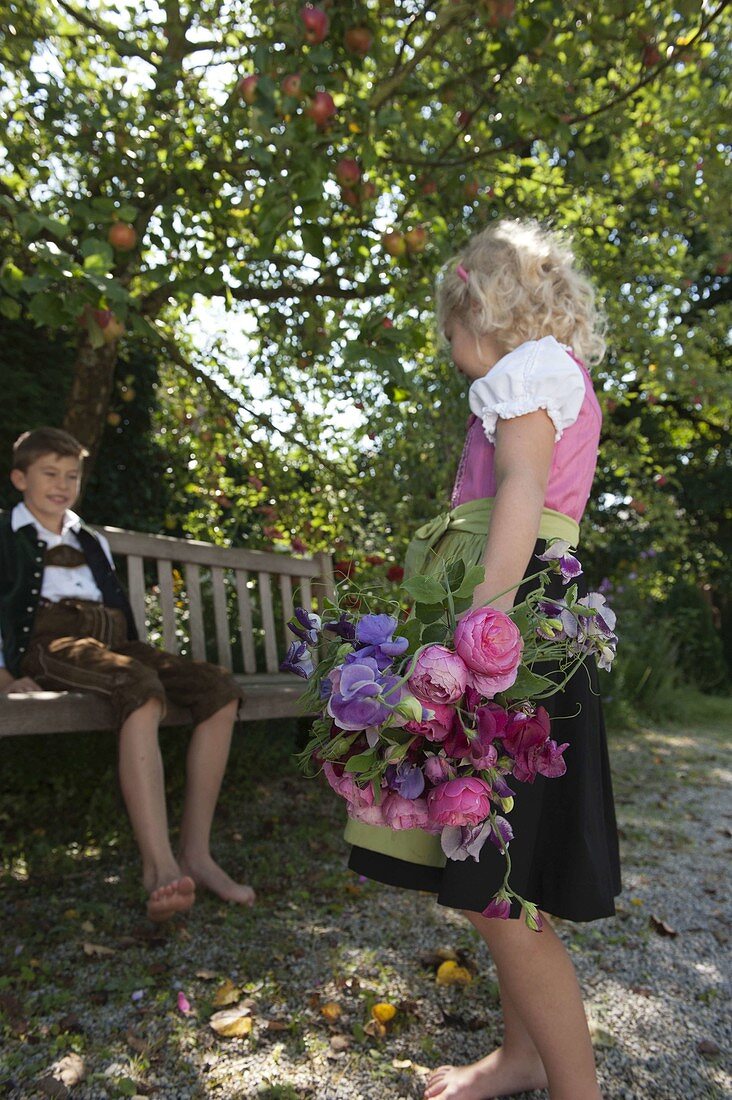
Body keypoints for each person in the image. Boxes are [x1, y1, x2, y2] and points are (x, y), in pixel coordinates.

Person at [348, 220, 621, 1100]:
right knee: (503, 877)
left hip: (512, 634)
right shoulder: (542, 377)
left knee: (502, 885)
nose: (447, 349)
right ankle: (522, 1057)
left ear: (478, 311)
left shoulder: (527, 373)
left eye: (447, 330)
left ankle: (576, 1090)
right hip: (522, 617)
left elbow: (519, 493)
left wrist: (480, 630)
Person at [0, 427, 255, 922]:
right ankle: (158, 867)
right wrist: (5, 678)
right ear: (18, 478)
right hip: (50, 644)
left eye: (71, 475)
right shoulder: (5, 536)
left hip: (113, 643)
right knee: (138, 689)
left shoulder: (88, 538)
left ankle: (195, 855)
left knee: (219, 690)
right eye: (49, 473)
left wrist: (134, 652)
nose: (62, 484)